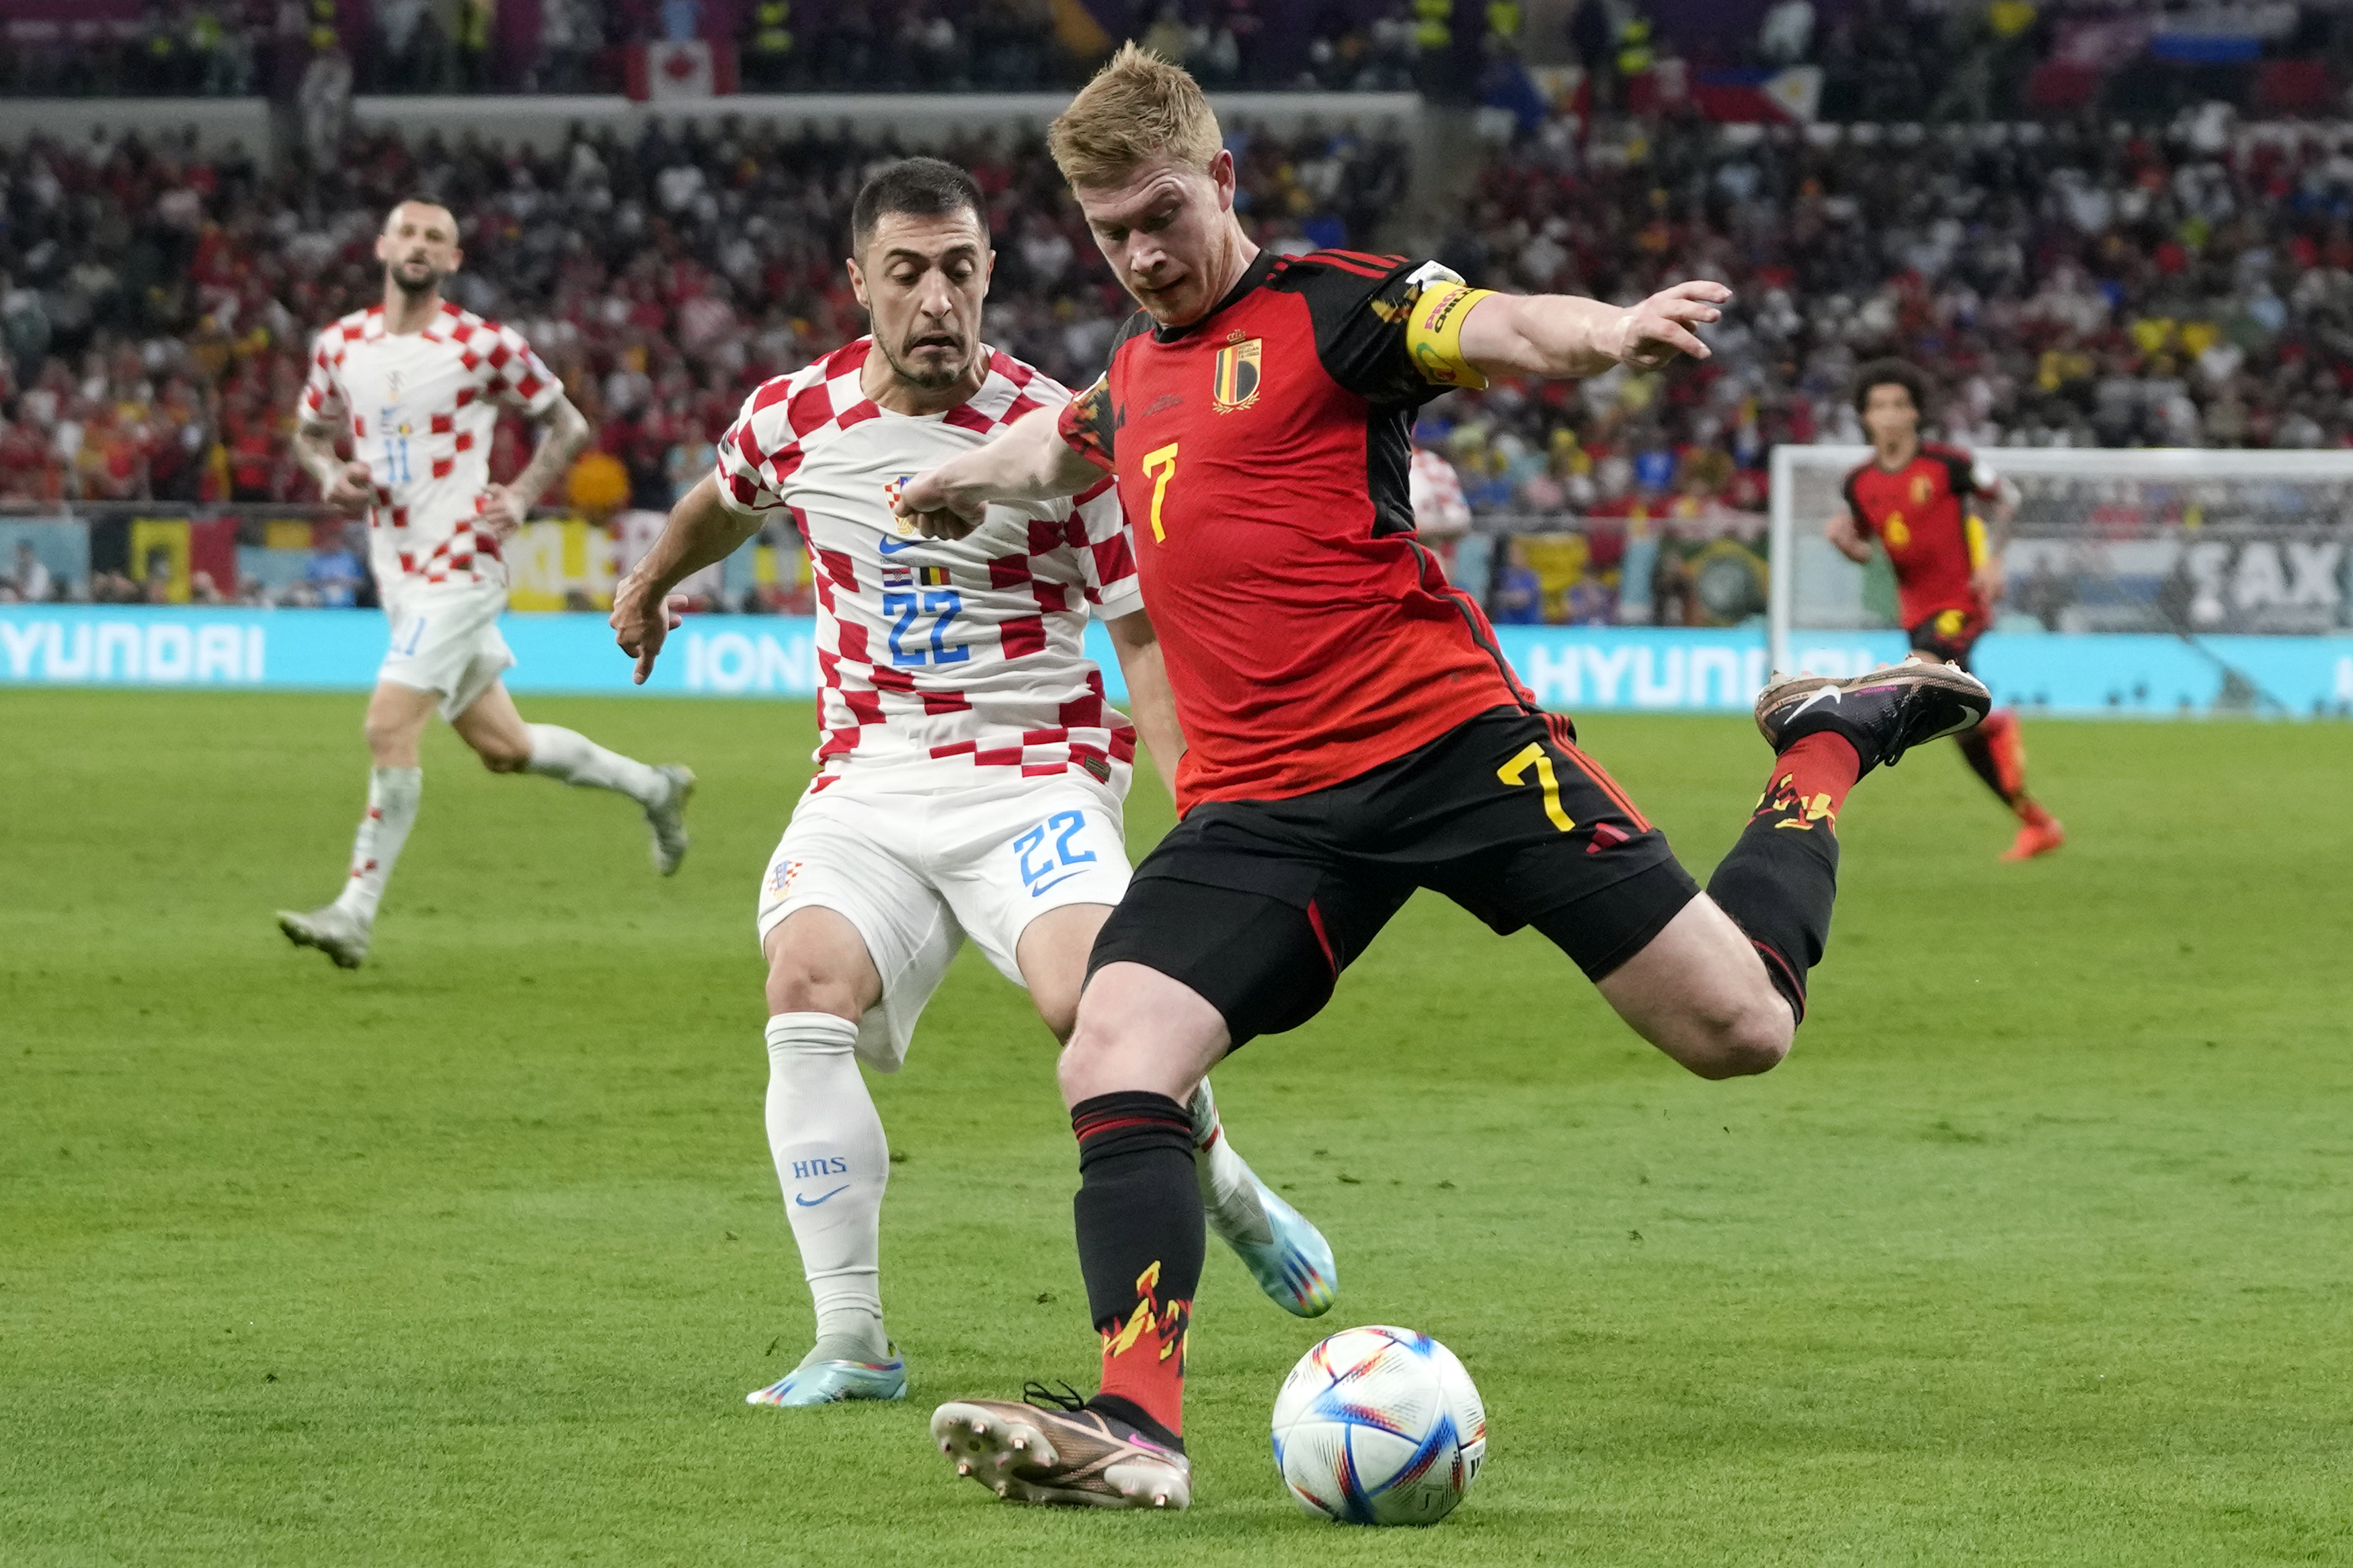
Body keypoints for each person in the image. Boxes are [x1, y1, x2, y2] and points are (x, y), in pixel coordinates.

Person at [890, 45, 1992, 1510]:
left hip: (1450, 748)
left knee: (1740, 1028)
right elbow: (1057, 446)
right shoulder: (1136, 373)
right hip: (1264, 810)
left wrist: (1609, 329)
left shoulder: (1337, 307)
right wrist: (959, 476)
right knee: (1110, 1047)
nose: (1142, 255)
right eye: (1111, 234)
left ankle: (1829, 741)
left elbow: (1498, 324)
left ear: (1222, 180)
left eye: (1162, 216)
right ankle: (1135, 1423)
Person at [607, 159, 1337, 1411]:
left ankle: (1221, 1177)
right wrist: (649, 584)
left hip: (1034, 777)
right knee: (804, 983)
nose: (936, 298)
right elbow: (725, 502)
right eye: (907, 273)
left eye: (958, 269)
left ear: (991, 271)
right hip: (870, 778)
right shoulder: (794, 415)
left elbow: (1141, 631)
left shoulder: (1063, 434)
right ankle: (853, 1340)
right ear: (860, 282)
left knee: (1095, 1009)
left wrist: (1199, 794)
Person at [276, 199, 694, 971]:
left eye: (435, 237)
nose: (419, 245)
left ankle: (354, 913)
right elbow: (309, 433)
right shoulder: (341, 344)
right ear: (382, 246)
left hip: (462, 561)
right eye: (408, 233)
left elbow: (567, 423)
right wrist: (331, 475)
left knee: (387, 725)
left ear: (453, 259)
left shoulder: (481, 344)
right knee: (505, 747)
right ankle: (653, 787)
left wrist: (524, 493)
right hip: (398, 570)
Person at [1827, 360, 2063, 862]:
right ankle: (2036, 821)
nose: (1890, 415)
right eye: (1879, 406)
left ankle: (1824, 791)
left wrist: (1994, 560)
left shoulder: (1948, 464)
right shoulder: (1858, 483)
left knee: (1919, 674)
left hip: (1961, 602)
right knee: (1963, 730)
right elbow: (1868, 549)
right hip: (1915, 613)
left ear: (1916, 413)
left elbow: (2008, 498)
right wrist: (1845, 544)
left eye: (1899, 404)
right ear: (1865, 417)